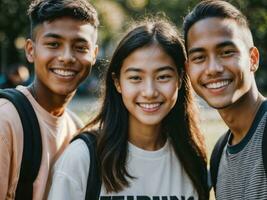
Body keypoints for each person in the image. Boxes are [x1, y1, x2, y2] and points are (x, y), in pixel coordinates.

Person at [48, 18, 209, 200]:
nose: (149, 92)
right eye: (135, 78)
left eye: (163, 76)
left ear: (180, 79)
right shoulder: (82, 157)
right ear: (117, 82)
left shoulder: (192, 159)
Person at [0, 0, 99, 199]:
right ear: (30, 50)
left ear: (94, 54)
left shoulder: (77, 129)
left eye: (80, 47)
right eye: (53, 44)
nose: (67, 57)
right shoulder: (6, 120)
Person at [183, 0, 267, 199]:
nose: (213, 69)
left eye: (227, 52)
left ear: (253, 59)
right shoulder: (220, 153)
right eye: (199, 57)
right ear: (188, 70)